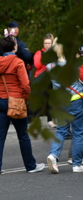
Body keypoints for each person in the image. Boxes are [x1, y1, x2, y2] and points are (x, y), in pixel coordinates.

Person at [0, 35, 45, 175]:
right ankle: (30, 166)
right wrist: (24, 98)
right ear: (14, 47)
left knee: (0, 135)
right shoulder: (18, 62)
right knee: (23, 135)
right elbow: (25, 85)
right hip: (16, 101)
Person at [46, 43, 83, 173]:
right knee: (78, 132)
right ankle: (77, 164)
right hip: (75, 102)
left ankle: (53, 155)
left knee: (61, 131)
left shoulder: (50, 66)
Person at [32, 33, 57, 128]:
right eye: (45, 43)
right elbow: (37, 65)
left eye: (49, 43)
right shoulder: (39, 53)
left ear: (52, 44)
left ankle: (50, 120)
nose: (47, 45)